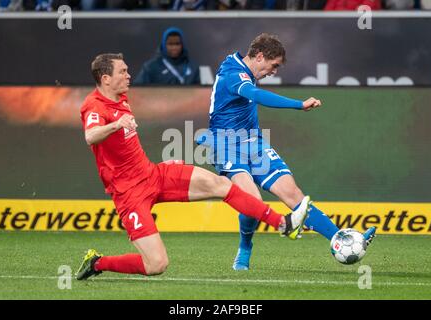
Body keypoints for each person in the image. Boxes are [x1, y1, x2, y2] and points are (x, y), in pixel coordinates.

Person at [75, 53, 310, 280]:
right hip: (129, 194)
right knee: (156, 265)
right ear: (105, 78)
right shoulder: (94, 105)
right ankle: (97, 263)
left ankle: (283, 223)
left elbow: (125, 149)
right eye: (122, 71)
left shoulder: (120, 98)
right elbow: (91, 136)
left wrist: (156, 164)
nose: (129, 75)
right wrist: (116, 124)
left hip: (152, 174)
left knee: (220, 184)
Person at [198, 33, 376, 271]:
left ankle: (340, 238)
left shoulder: (243, 70)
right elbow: (257, 95)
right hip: (226, 145)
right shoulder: (233, 74)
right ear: (260, 56)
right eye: (274, 66)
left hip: (254, 143)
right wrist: (298, 104)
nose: (274, 71)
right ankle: (245, 247)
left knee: (293, 193)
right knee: (251, 201)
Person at [133, 27, 200, 85]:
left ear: (182, 45)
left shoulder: (192, 67)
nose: (174, 47)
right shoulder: (150, 67)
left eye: (177, 44)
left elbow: (199, 92)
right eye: (170, 44)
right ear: (164, 45)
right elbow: (138, 90)